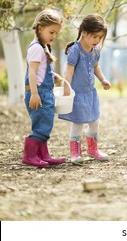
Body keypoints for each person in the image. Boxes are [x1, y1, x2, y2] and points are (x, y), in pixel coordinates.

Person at [59, 14, 111, 163]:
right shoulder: (75, 51)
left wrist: (102, 79)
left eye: (100, 37)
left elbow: (96, 67)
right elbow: (68, 72)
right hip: (77, 93)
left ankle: (93, 149)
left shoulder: (95, 50)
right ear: (84, 32)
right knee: (78, 122)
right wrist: (66, 90)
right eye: (94, 36)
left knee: (94, 120)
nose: (97, 40)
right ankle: (75, 152)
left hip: (90, 93)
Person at [23, 9, 66, 167]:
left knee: (46, 124)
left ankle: (43, 154)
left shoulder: (44, 47)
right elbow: (32, 73)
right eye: (51, 32)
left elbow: (41, 70)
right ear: (40, 28)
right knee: (41, 125)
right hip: (38, 93)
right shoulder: (36, 48)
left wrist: (52, 75)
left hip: (45, 92)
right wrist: (34, 94)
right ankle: (30, 155)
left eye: (56, 33)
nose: (53, 36)